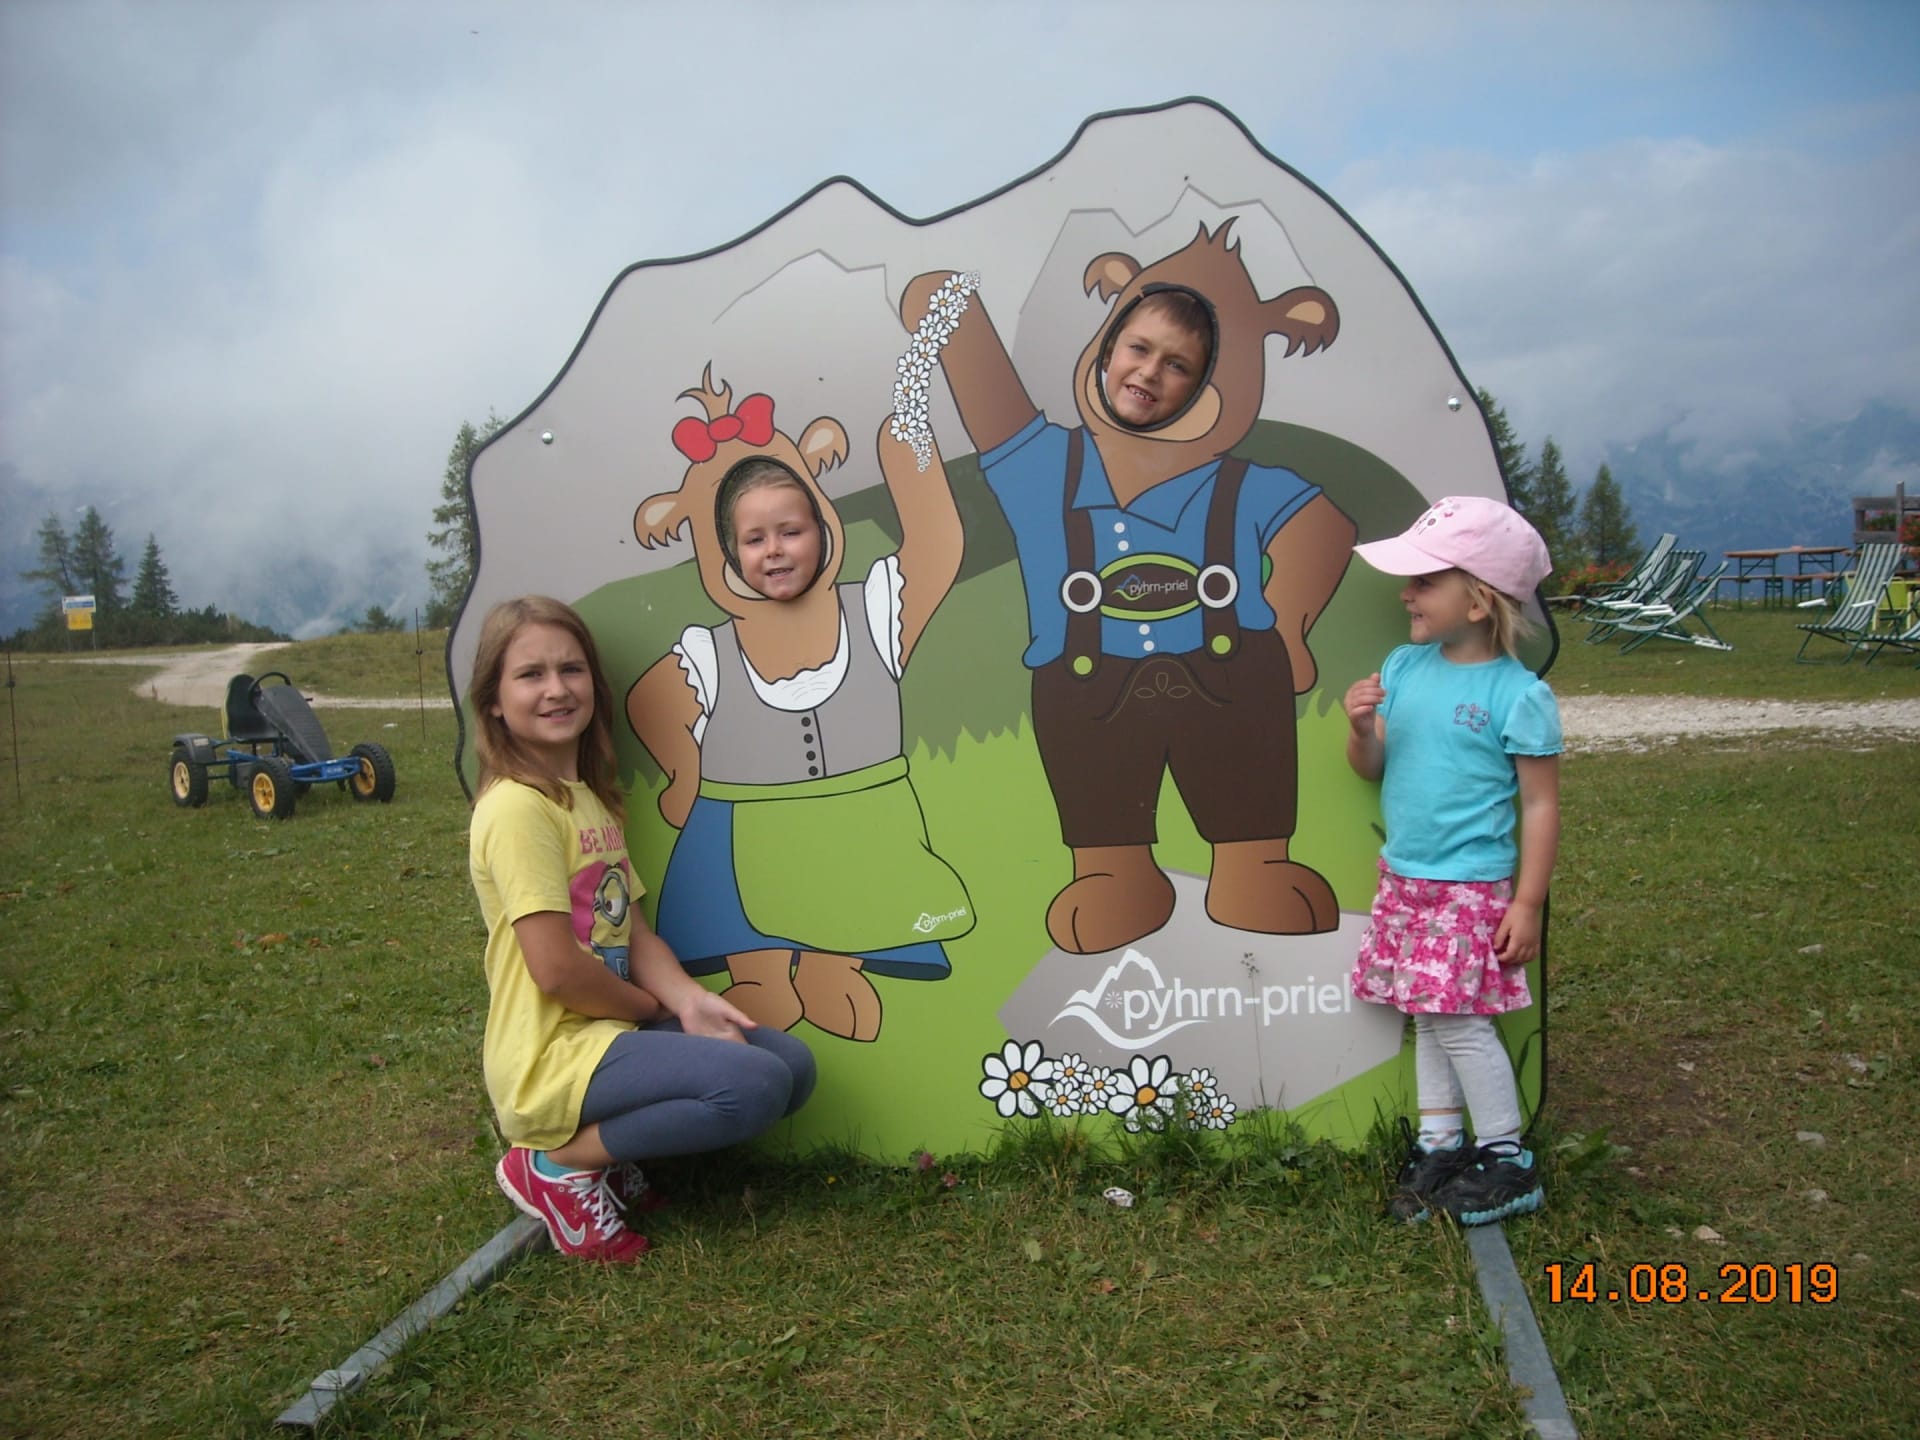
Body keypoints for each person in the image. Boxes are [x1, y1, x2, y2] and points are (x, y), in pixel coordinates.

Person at [468, 595, 816, 1261]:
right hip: (554, 1054)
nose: (556, 689)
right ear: (493, 702)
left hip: (611, 1031)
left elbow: (636, 934)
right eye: (531, 675)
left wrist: (690, 1002)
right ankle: (556, 1165)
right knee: (755, 1085)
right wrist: (649, 1009)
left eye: (571, 669)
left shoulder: (587, 800)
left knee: (791, 1067)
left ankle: (604, 1154)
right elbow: (556, 970)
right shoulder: (517, 810)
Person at [1341, 496, 1561, 1226]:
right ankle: (1441, 1144)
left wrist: (1527, 902)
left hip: (1468, 890)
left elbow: (1540, 805)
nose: (1406, 593)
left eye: (1425, 581)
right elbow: (1373, 766)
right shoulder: (1404, 667)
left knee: (1459, 1022)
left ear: (1478, 599)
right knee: (1429, 1017)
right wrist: (1361, 729)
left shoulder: (1517, 694)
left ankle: (1507, 1159)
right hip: (1406, 880)